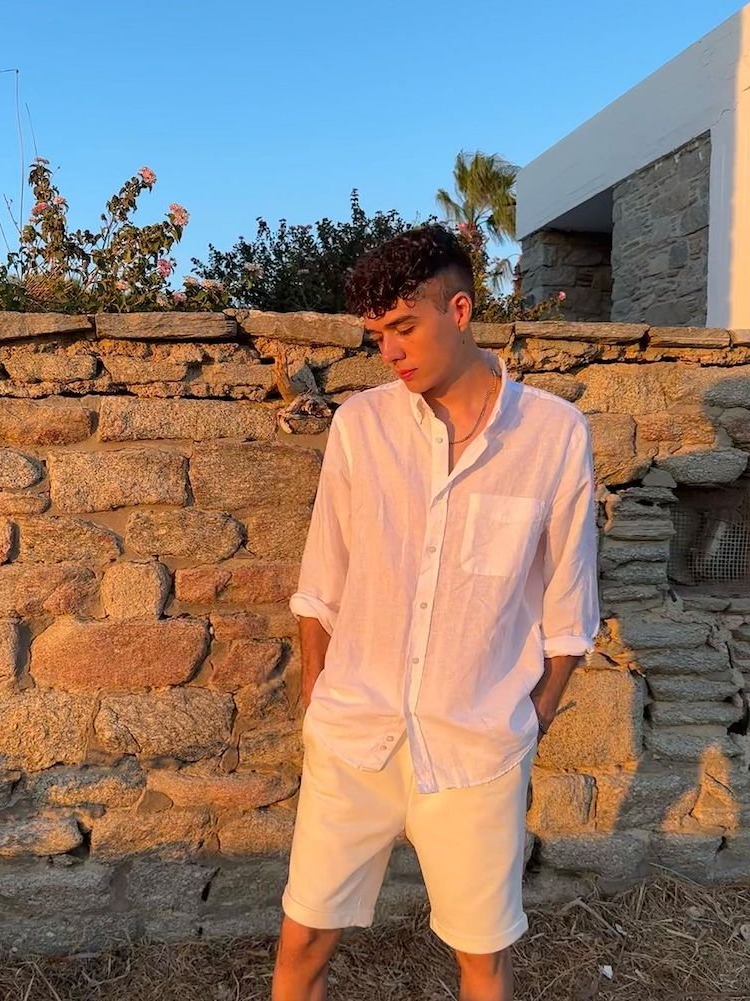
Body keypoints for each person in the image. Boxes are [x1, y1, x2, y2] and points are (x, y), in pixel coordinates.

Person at [271, 224, 599, 1001]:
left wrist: (531, 718)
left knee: (482, 957)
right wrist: (318, 688)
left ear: (459, 310)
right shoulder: (362, 426)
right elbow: (323, 576)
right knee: (302, 936)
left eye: (403, 327)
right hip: (355, 736)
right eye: (377, 334)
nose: (389, 350)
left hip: (476, 747)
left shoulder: (553, 435)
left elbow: (569, 603)